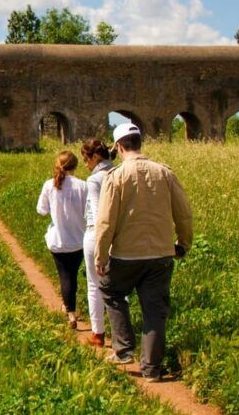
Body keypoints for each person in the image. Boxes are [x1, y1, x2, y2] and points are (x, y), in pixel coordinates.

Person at [95, 123, 193, 382]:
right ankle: (152, 370)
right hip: (161, 254)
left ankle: (124, 349)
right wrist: (183, 243)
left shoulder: (115, 177)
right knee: (155, 310)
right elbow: (183, 212)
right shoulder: (164, 172)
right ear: (139, 143)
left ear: (118, 146)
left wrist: (101, 256)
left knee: (110, 290)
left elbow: (105, 222)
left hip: (126, 255)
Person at [37, 151, 87, 329]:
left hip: (58, 240)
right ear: (75, 166)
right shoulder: (83, 186)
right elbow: (88, 212)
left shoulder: (49, 185)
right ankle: (70, 307)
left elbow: (41, 211)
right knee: (72, 275)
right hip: (79, 240)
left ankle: (70, 313)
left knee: (65, 276)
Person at [80, 139, 116, 347]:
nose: (85, 164)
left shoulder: (94, 180)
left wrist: (102, 247)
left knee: (95, 285)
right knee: (118, 286)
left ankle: (98, 334)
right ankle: (122, 333)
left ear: (95, 157)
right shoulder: (118, 173)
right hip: (118, 235)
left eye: (86, 159)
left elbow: (97, 211)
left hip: (97, 234)